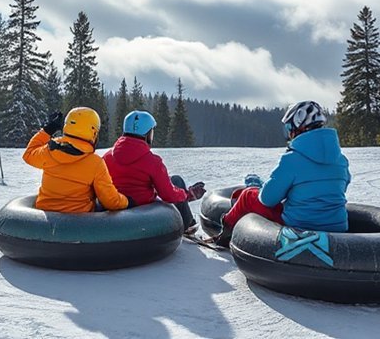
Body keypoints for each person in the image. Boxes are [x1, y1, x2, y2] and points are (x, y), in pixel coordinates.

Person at [215, 100, 351, 247]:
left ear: (297, 126)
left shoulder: (292, 159)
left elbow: (267, 199)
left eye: (288, 127)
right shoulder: (341, 160)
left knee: (248, 196)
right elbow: (339, 188)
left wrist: (260, 187)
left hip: (299, 226)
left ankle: (225, 234)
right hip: (337, 227)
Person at [103, 110, 206, 233]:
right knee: (176, 181)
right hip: (145, 212)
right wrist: (187, 194)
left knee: (175, 179)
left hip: (115, 206)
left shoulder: (107, 157)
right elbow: (168, 194)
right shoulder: (152, 161)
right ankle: (188, 225)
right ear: (147, 134)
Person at [23, 107, 133, 213]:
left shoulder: (49, 150)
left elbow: (28, 155)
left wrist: (48, 130)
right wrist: (127, 201)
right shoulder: (95, 163)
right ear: (93, 133)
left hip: (45, 218)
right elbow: (111, 201)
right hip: (79, 223)